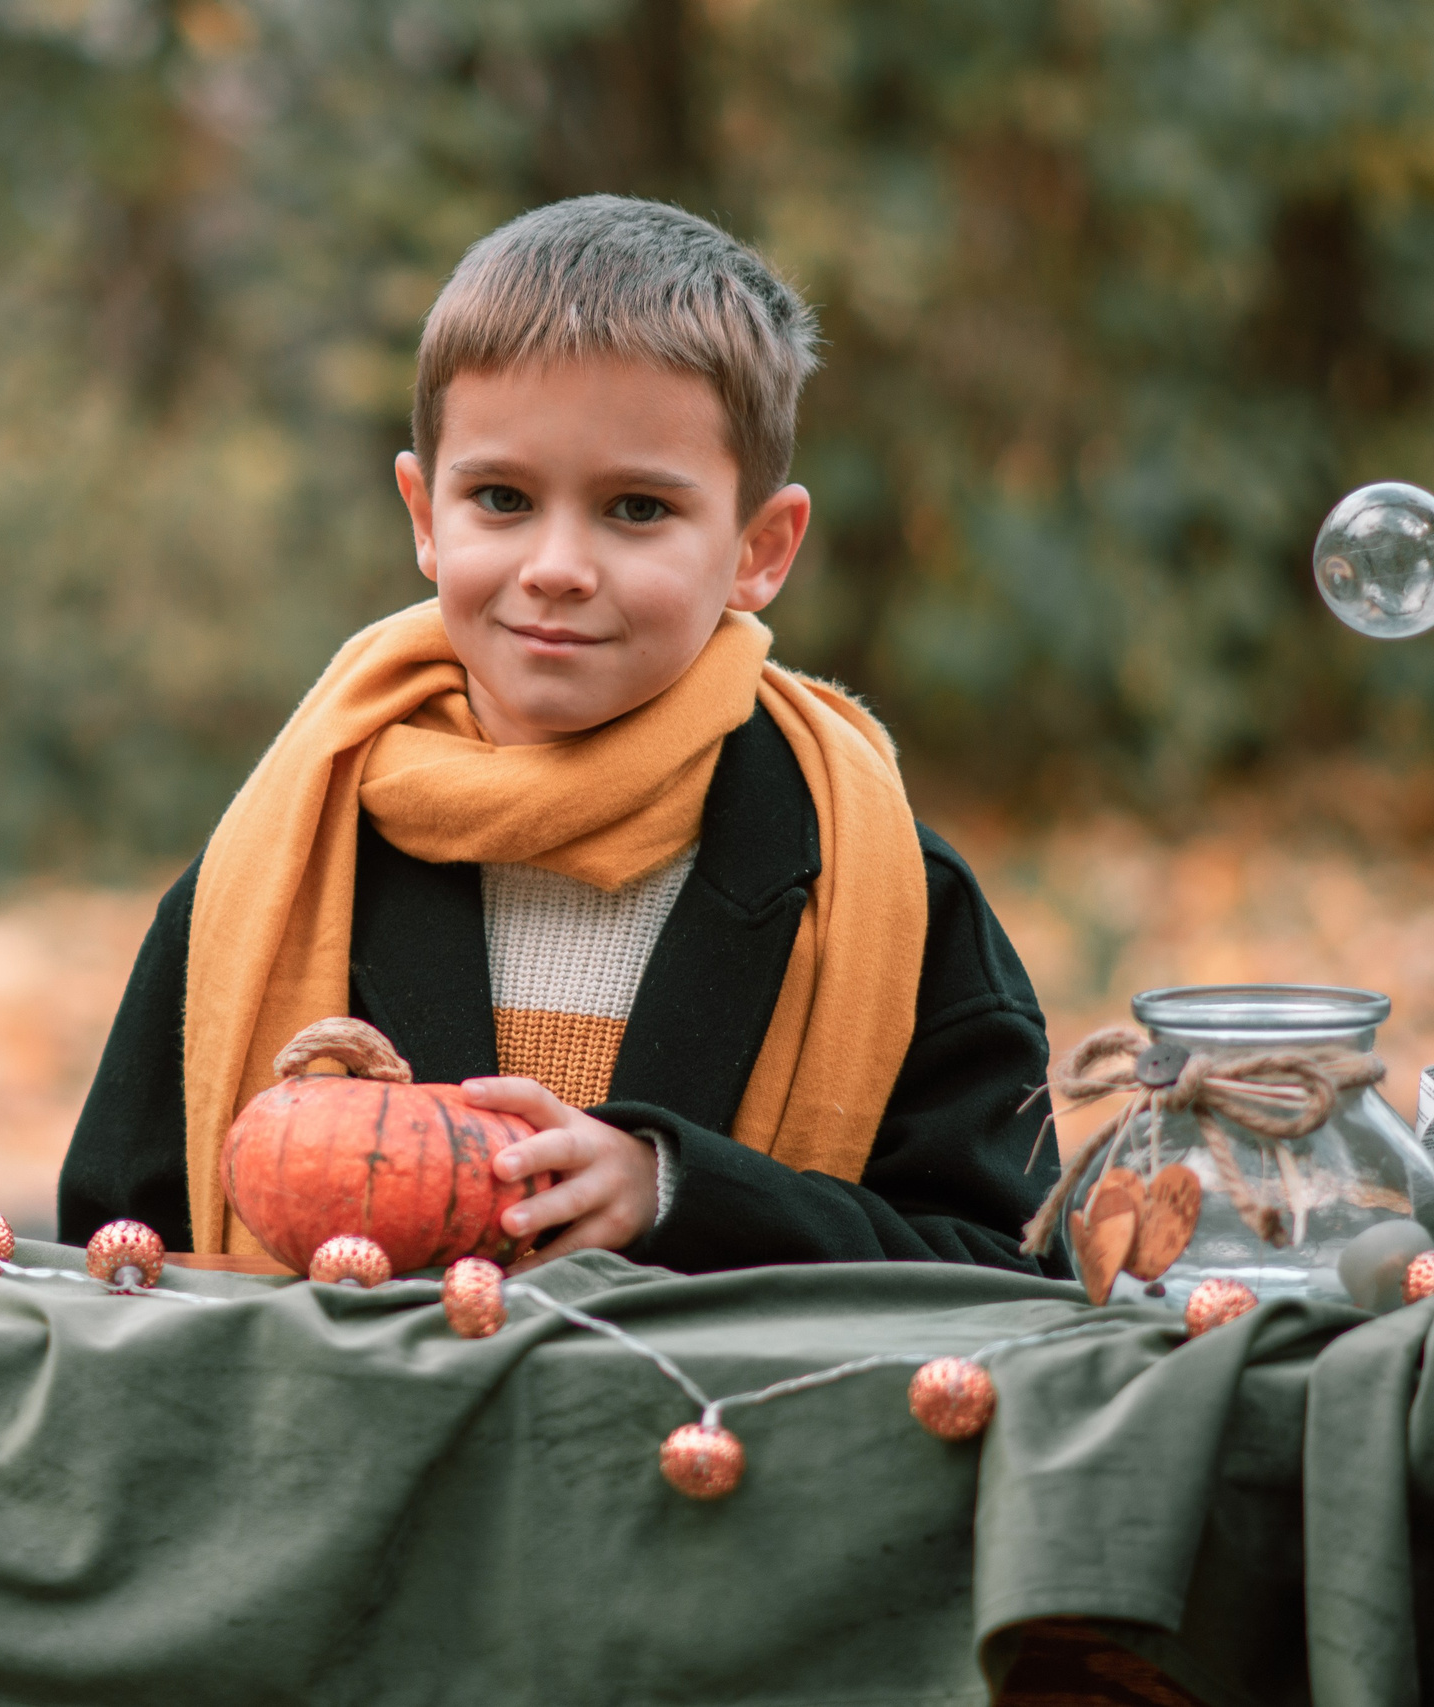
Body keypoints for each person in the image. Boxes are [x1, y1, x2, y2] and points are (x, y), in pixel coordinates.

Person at [56, 195, 1062, 1276]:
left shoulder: (885, 890)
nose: (557, 565)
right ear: (424, 516)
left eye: (636, 509)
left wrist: (674, 1191)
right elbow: (120, 1246)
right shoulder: (280, 866)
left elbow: (1002, 1265)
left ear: (759, 549)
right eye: (501, 497)